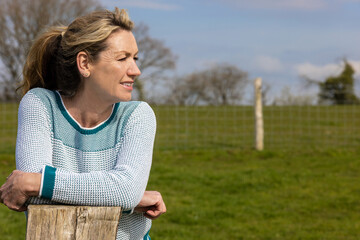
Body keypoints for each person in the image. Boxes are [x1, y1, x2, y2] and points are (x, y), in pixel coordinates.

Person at [0, 7, 166, 240]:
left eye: (135, 58)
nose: (135, 70)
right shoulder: (39, 104)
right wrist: (128, 200)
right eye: (122, 58)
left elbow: (31, 186)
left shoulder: (138, 115)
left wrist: (37, 181)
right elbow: (32, 198)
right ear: (85, 63)